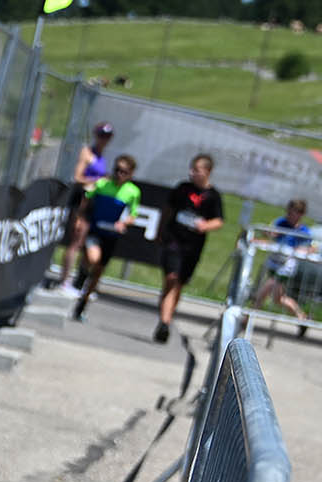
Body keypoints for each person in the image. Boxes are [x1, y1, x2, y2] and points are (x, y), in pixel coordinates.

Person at [154, 153, 226, 342]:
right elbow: (168, 209)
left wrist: (205, 225)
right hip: (174, 240)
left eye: (197, 170)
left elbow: (219, 220)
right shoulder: (182, 188)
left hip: (193, 247)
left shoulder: (213, 196)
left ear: (207, 172)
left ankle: (165, 318)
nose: (192, 173)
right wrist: (160, 230)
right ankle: (164, 322)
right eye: (192, 169)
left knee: (178, 284)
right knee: (171, 277)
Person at [70, 154, 140, 320]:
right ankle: (82, 272)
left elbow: (133, 214)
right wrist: (80, 217)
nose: (119, 174)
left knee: (98, 271)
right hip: (95, 229)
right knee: (93, 257)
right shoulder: (102, 184)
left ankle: (83, 303)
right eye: (117, 170)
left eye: (124, 172)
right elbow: (86, 199)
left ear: (130, 174)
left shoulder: (133, 192)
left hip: (111, 234)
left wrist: (124, 223)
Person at [55, 123, 114, 293]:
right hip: (81, 200)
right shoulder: (87, 153)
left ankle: (75, 281)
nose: (104, 139)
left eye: (107, 136)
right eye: (102, 135)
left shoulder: (102, 156)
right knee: (75, 241)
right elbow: (77, 177)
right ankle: (64, 280)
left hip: (91, 202)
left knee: (81, 242)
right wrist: (96, 180)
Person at [251, 199, 312, 336]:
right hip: (274, 261)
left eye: (293, 213)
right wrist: (268, 233)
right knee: (278, 299)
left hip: (286, 266)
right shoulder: (281, 222)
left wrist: (300, 249)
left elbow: (311, 247)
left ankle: (246, 320)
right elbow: (272, 233)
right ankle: (302, 317)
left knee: (265, 290)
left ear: (300, 214)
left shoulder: (303, 230)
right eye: (289, 212)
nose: (289, 216)